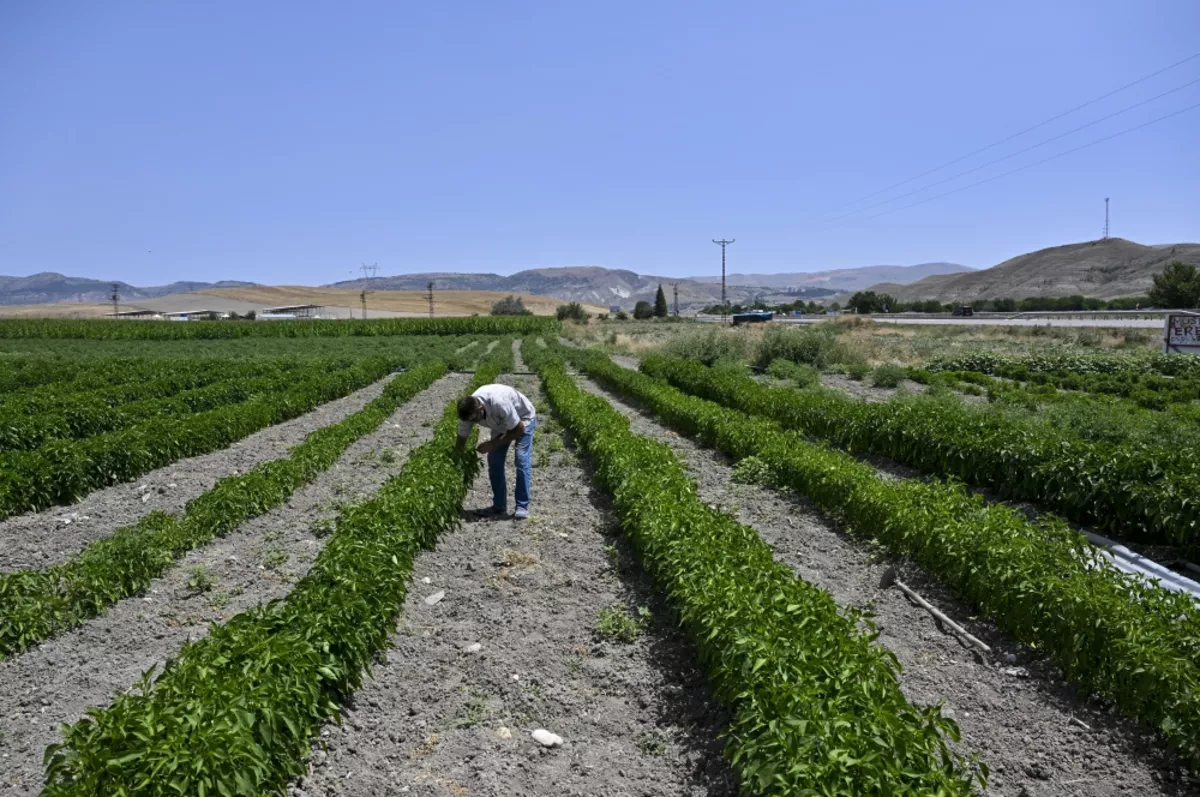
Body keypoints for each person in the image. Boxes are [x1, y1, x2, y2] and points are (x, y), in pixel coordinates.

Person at [456, 384, 537, 519]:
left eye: (475, 419)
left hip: (523, 419)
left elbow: (519, 429)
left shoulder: (498, 403)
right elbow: (462, 437)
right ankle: (499, 506)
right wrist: (456, 457)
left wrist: (493, 444)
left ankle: (522, 506)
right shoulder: (468, 412)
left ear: (480, 409)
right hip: (501, 424)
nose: (473, 422)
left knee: (521, 459)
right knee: (494, 461)